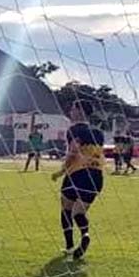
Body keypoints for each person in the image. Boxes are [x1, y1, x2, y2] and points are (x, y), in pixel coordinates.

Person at [52, 100, 104, 260]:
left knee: (66, 208)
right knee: (79, 212)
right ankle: (85, 235)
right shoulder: (98, 133)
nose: (70, 111)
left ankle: (69, 246)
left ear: (80, 111)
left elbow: (73, 151)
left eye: (73, 108)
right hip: (96, 176)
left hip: (77, 174)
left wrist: (61, 171)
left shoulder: (74, 130)